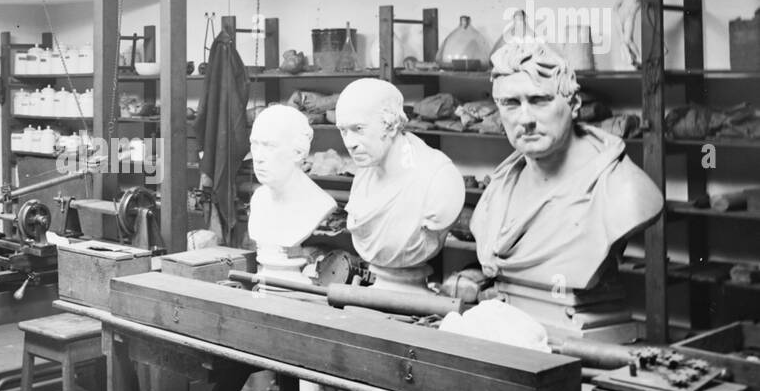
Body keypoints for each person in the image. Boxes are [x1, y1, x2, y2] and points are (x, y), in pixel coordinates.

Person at [470, 42, 662, 294]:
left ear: (573, 105)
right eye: (511, 103)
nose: (525, 119)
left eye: (539, 100)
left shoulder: (623, 189)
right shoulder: (496, 190)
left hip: (577, 320)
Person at [336, 78, 465, 288]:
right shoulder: (364, 175)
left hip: (411, 291)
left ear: (390, 124)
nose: (349, 143)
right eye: (343, 131)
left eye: (358, 128)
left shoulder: (439, 178)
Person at [246, 104, 336, 280]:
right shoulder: (259, 199)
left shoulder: (318, 204)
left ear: (298, 152)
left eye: (269, 146)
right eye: (254, 145)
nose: (258, 157)